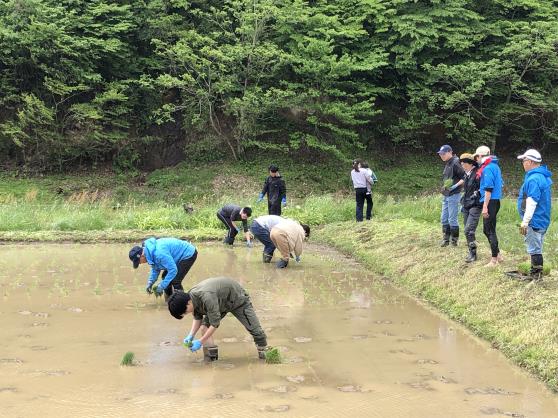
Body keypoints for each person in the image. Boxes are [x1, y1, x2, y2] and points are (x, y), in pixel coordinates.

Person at [167, 277, 269, 360]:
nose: (186, 313)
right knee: (204, 328)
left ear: (188, 303)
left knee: (256, 331)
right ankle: (211, 358)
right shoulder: (190, 297)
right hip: (219, 304)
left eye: (185, 311)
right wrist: (191, 335)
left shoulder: (206, 297)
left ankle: (264, 353)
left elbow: (215, 324)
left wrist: (200, 342)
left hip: (237, 300)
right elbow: (197, 317)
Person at [516, 149, 552, 280]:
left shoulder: (533, 179)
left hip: (534, 220)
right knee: (537, 245)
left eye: (524, 160)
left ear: (530, 161)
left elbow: (531, 202)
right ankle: (536, 273)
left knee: (534, 248)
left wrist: (525, 222)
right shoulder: (542, 176)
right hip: (542, 218)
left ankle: (536, 276)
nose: (523, 163)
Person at [129, 237, 198, 300]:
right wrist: (150, 282)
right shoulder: (149, 252)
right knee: (165, 277)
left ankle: (182, 303)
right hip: (175, 257)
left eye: (139, 261)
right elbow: (155, 268)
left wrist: (161, 286)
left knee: (175, 280)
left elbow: (173, 270)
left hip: (188, 253)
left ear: (142, 256)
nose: (140, 263)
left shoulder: (159, 253)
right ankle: (169, 301)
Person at [474, 145, 504, 266]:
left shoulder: (488, 168)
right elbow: (501, 183)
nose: (476, 159)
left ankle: (494, 259)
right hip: (494, 201)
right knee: (487, 229)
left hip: (490, 201)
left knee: (489, 229)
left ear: (481, 156)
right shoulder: (495, 166)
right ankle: (498, 255)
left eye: (477, 156)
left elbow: (488, 189)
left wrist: (485, 206)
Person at [437, 145, 465, 246]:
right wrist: (445, 187)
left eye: (443, 153)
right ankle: (446, 240)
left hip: (454, 194)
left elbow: (464, 177)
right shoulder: (448, 163)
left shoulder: (456, 162)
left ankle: (454, 241)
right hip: (446, 194)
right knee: (444, 218)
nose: (442, 156)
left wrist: (455, 186)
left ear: (450, 152)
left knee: (452, 218)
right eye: (440, 154)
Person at [460, 153, 482, 262]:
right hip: (466, 205)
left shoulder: (477, 174)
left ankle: (474, 255)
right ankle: (470, 251)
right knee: (466, 230)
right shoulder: (466, 174)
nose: (462, 164)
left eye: (463, 162)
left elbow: (480, 190)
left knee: (469, 230)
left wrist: (474, 198)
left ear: (470, 163)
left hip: (475, 205)